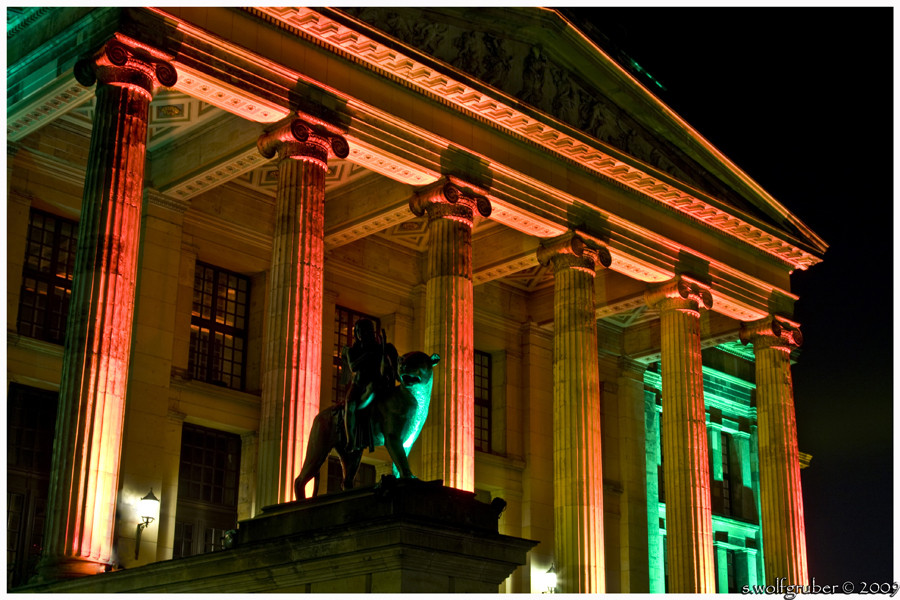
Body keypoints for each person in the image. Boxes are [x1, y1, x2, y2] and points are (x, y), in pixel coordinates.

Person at [341, 319, 398, 452]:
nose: (361, 333)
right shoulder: (351, 351)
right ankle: (351, 439)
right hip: (359, 384)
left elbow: (390, 366)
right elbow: (353, 367)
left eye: (364, 330)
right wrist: (368, 355)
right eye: (358, 331)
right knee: (349, 405)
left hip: (377, 382)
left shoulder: (381, 348)